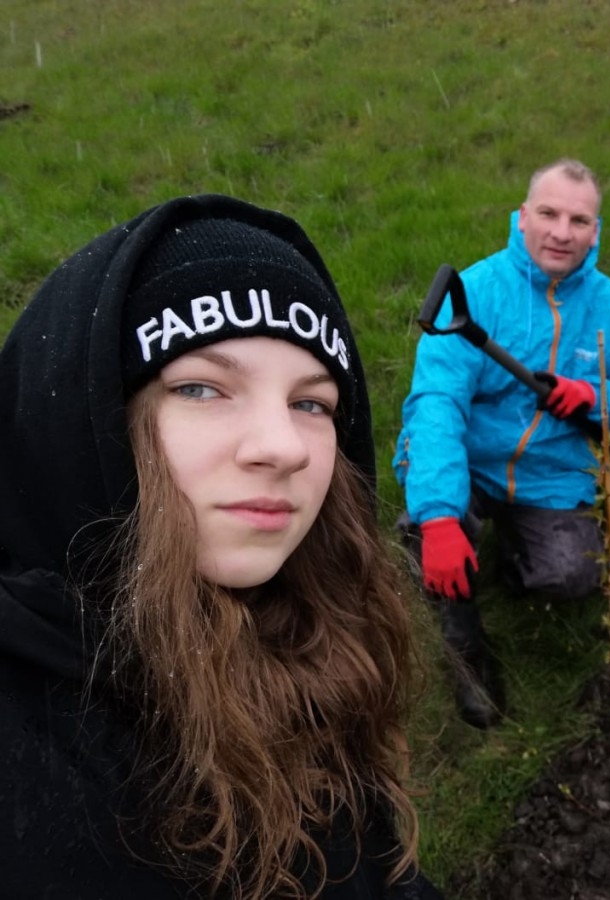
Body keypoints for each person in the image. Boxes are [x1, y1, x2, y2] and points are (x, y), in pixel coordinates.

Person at [0, 195, 442, 899]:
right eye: (201, 387)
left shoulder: (313, 635)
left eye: (312, 403)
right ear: (86, 422)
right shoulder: (29, 775)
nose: (282, 446)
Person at [393, 159, 610, 729]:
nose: (562, 232)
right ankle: (462, 636)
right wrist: (441, 518)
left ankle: (505, 552)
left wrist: (592, 397)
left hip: (551, 472)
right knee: (435, 521)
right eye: (548, 213)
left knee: (570, 574)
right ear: (521, 218)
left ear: (597, 231)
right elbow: (435, 407)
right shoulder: (475, 293)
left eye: (579, 220)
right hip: (471, 458)